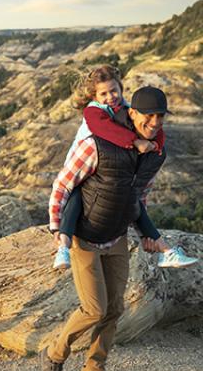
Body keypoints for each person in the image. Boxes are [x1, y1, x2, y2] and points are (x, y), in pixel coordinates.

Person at [40, 86, 190, 371]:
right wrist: (57, 228)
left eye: (160, 116)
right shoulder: (97, 144)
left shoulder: (155, 153)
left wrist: (145, 233)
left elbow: (139, 196)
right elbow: (63, 184)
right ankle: (54, 356)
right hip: (84, 236)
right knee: (94, 309)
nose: (154, 121)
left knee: (114, 310)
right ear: (131, 112)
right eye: (148, 115)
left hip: (117, 236)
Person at [52, 66, 197, 270]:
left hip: (106, 169)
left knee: (133, 200)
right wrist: (135, 142)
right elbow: (107, 131)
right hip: (83, 166)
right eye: (104, 93)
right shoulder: (94, 112)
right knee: (75, 200)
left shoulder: (125, 109)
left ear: (121, 90)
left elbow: (155, 129)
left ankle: (166, 251)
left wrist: (156, 146)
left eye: (114, 91)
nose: (111, 96)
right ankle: (63, 247)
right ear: (94, 96)